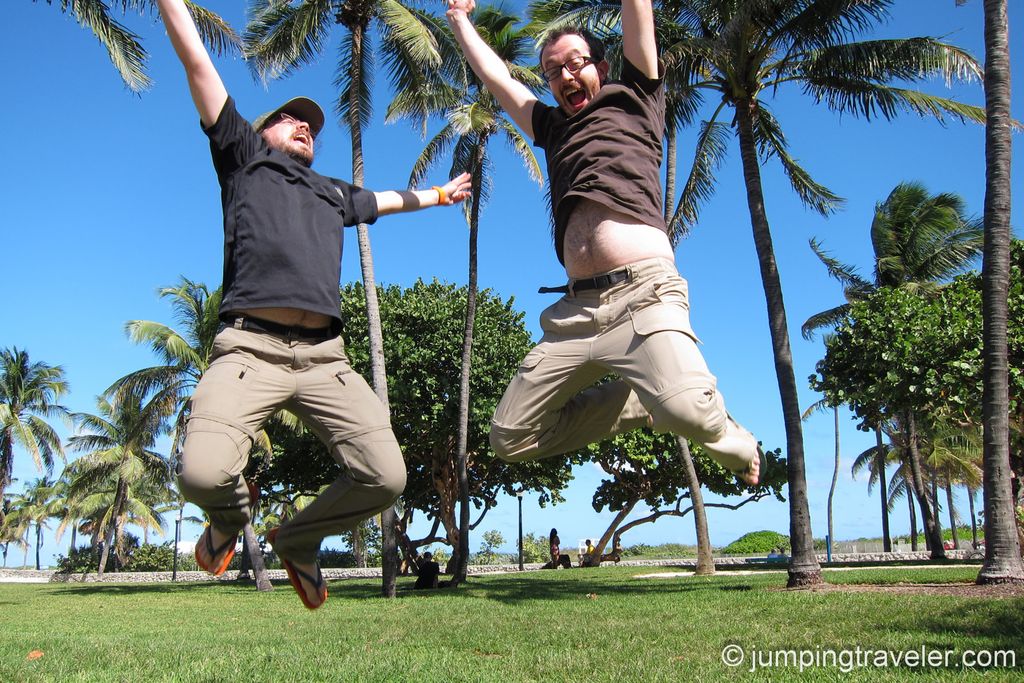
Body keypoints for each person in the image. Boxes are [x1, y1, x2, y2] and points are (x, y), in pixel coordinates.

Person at [156, 0, 472, 610]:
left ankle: (297, 541)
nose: (305, 127)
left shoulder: (333, 193)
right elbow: (198, 63)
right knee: (201, 474)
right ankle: (228, 516)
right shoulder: (244, 158)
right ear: (262, 129)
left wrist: (438, 194)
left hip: (327, 360)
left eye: (312, 126)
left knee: (387, 478)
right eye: (291, 120)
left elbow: (386, 200)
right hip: (250, 348)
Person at [446, 0, 760, 486]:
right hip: (574, 315)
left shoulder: (636, 95)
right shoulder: (552, 129)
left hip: (644, 296)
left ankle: (732, 440)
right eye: (553, 71)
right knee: (509, 437)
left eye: (575, 63)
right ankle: (641, 400)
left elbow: (638, 11)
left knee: (692, 416)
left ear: (603, 66)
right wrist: (459, 18)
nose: (565, 76)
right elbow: (498, 81)